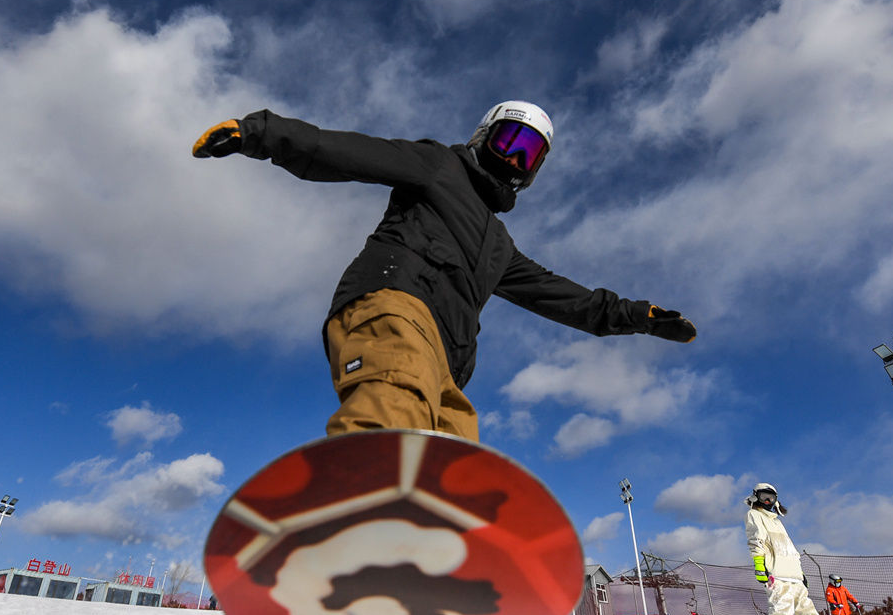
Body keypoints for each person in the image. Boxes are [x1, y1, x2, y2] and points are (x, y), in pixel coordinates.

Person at [192, 102, 697, 440]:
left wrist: (638, 316)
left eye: (529, 155)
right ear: (483, 136)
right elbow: (349, 151)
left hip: (448, 363)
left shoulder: (500, 247)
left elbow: (565, 298)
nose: (515, 159)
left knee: (453, 449)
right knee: (398, 407)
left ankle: (427, 565)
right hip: (394, 305)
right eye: (510, 143)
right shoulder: (440, 167)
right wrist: (259, 134)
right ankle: (356, 505)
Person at [745, 482, 842, 615]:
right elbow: (756, 540)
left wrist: (801, 573)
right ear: (756, 497)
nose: (768, 501)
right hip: (777, 575)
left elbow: (789, 550)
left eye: (771, 498)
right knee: (781, 614)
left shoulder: (777, 522)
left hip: (795, 577)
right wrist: (759, 565)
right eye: (764, 496)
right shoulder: (754, 515)